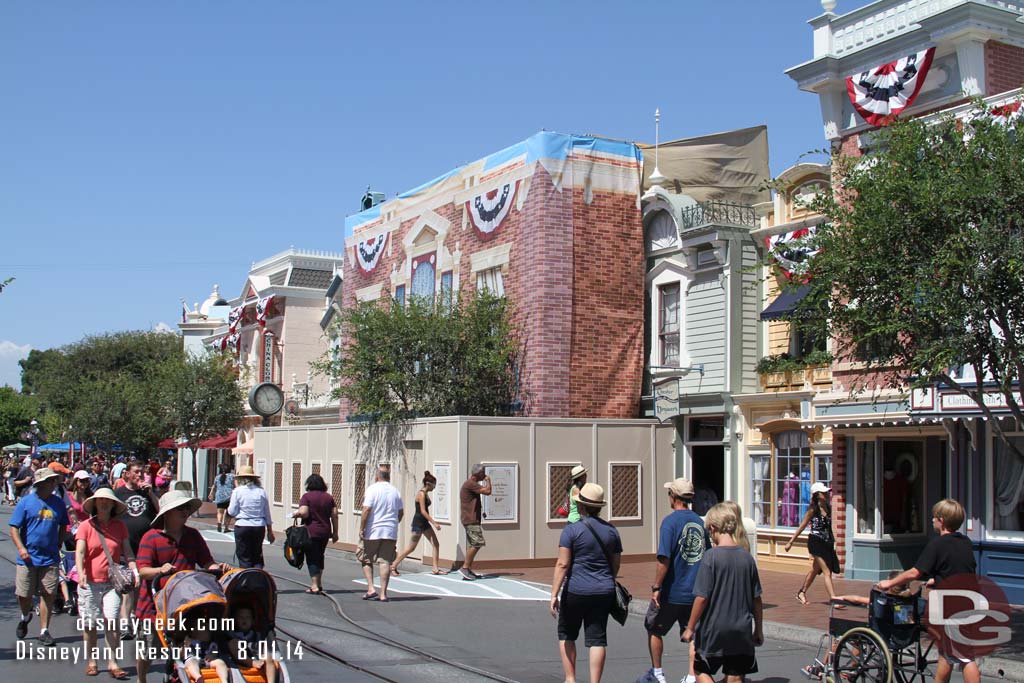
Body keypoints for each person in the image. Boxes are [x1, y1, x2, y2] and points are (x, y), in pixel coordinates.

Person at [877, 498, 979, 683]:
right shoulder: (965, 542)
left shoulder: (937, 544)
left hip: (952, 605)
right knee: (946, 653)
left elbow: (914, 572)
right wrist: (937, 579)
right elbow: (960, 569)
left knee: (966, 657)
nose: (932, 520)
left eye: (934, 517)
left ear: (942, 520)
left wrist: (889, 584)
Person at [135, 490, 229, 683]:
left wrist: (218, 569)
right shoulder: (151, 537)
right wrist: (161, 569)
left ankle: (181, 674)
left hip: (185, 604)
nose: (185, 512)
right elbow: (143, 571)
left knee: (184, 647)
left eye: (187, 508)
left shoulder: (193, 535)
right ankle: (141, 678)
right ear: (167, 513)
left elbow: (207, 562)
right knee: (147, 649)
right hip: (153, 606)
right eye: (180, 508)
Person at [682, 503, 764, 683]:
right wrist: (758, 628)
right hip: (741, 629)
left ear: (713, 528)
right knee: (735, 676)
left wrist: (690, 627)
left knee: (700, 669)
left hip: (714, 629)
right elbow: (756, 599)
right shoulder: (746, 558)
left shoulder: (711, 557)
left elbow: (702, 597)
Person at [550, 483, 621, 683]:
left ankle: (570, 678)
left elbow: (563, 564)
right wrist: (607, 578)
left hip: (576, 590)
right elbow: (616, 564)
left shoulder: (571, 531)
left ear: (581, 506)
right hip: (603, 589)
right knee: (597, 638)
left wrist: (554, 593)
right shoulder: (612, 531)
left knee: (567, 633)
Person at [637, 478, 706, 683]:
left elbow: (664, 558)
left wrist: (657, 586)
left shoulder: (670, 522)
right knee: (693, 633)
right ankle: (693, 675)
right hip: (695, 591)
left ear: (674, 497)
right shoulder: (700, 522)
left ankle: (658, 673)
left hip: (672, 590)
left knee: (654, 628)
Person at [803, 570, 914, 680]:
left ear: (891, 584)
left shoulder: (884, 600)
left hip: (881, 634)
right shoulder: (910, 600)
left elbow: (857, 599)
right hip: (901, 635)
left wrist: (841, 598)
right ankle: (851, 668)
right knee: (859, 638)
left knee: (837, 632)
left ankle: (822, 666)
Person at [75, 487, 137, 679]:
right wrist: (81, 572)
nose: (103, 503)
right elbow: (80, 552)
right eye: (100, 500)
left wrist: (134, 570)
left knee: (112, 621)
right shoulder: (86, 526)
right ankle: (92, 661)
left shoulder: (120, 527)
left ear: (112, 505)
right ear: (94, 504)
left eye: (107, 501)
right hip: (90, 582)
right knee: (90, 624)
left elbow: (127, 551)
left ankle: (113, 662)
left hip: (111, 583)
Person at [9, 467, 69, 645]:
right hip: (28, 557)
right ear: (42, 484)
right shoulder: (26, 503)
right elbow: (14, 528)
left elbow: (64, 525)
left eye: (54, 481)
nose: (54, 484)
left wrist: (59, 543)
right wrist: (21, 548)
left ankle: (44, 630)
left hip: (49, 558)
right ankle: (25, 615)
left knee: (48, 593)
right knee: (24, 594)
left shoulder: (58, 503)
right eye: (51, 481)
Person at [115, 461, 160, 640]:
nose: (140, 475)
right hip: (126, 545)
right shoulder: (119, 494)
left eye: (142, 472)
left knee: (140, 583)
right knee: (129, 584)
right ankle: (126, 622)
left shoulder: (147, 493)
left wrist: (151, 493)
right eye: (136, 472)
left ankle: (134, 615)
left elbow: (160, 510)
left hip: (145, 545)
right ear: (126, 474)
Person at [785, 482, 841, 606]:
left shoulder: (828, 507)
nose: (827, 494)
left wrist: (833, 542)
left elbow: (828, 528)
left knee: (815, 570)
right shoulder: (812, 510)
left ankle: (801, 592)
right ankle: (834, 599)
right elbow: (802, 526)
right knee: (827, 571)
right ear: (817, 495)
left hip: (826, 542)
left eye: (827, 492)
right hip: (815, 542)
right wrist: (791, 542)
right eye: (823, 492)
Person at [358, 465, 403, 601]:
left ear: (377, 476)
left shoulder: (372, 489)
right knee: (385, 561)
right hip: (390, 531)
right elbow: (401, 512)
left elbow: (366, 510)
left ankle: (371, 588)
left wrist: (362, 528)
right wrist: (394, 523)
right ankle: (383, 593)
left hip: (373, 530)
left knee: (366, 558)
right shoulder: (396, 491)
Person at [392, 471, 446, 575]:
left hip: (424, 523)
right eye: (434, 484)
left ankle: (435, 568)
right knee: (411, 548)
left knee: (435, 544)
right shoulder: (421, 494)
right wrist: (434, 523)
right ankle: (393, 565)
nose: (434, 487)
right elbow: (423, 511)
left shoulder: (426, 494)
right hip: (418, 524)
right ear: (428, 484)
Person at [292, 473, 338, 594]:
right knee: (320, 556)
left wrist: (296, 514)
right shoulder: (329, 497)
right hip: (325, 531)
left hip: (310, 531)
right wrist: (335, 532)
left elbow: (305, 513)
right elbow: (334, 515)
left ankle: (314, 585)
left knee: (312, 557)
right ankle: (319, 583)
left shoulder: (306, 497)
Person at [227, 465, 274, 569]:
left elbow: (232, 511)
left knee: (244, 556)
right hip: (259, 526)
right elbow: (267, 513)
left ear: (240, 479)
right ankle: (257, 577)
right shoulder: (261, 491)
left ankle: (247, 580)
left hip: (242, 525)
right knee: (257, 555)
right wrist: (270, 531)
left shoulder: (237, 491)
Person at [226, 605, 278, 683]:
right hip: (237, 660)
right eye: (241, 617)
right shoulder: (232, 635)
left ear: (253, 620)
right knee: (233, 644)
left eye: (248, 617)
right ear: (235, 620)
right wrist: (252, 662)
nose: (244, 619)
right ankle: (252, 663)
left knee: (268, 657)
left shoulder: (257, 634)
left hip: (256, 658)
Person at [459, 464, 492, 580]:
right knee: (477, 543)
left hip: (471, 519)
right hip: (470, 519)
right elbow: (488, 491)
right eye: (483, 472)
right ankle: (465, 567)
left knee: (473, 544)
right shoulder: (471, 484)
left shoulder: (472, 484)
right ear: (477, 473)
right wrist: (488, 480)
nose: (484, 474)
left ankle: (467, 569)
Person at [207, 463, 235, 533]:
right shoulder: (232, 476)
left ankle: (219, 522)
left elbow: (214, 486)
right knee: (228, 513)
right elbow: (236, 485)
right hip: (229, 496)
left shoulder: (217, 477)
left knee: (220, 512)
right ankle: (226, 527)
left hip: (219, 496)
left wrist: (211, 493)